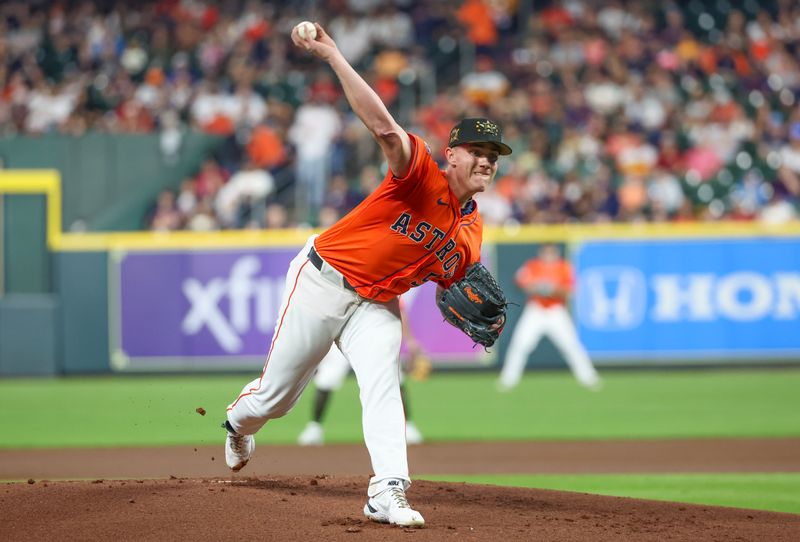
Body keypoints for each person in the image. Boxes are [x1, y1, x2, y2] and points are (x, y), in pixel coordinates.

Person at [223, 21, 512, 528]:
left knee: (383, 378)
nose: (487, 162)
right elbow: (382, 127)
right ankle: (236, 422)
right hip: (322, 278)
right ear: (453, 155)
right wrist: (334, 56)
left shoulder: (472, 232)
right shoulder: (420, 170)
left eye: (494, 157)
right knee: (275, 399)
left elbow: (455, 287)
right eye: (478, 153)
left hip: (376, 305)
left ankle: (387, 490)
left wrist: (467, 311)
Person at [297, 298, 426, 446]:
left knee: (395, 379)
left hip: (374, 335)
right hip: (342, 334)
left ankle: (407, 427)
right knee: (327, 379)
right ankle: (314, 428)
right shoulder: (340, 278)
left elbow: (399, 309)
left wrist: (409, 340)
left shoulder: (384, 278)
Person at [497, 243, 602, 392]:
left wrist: (552, 289)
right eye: (546, 252)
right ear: (541, 253)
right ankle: (508, 379)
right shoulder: (533, 265)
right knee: (520, 344)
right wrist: (538, 288)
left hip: (556, 310)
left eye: (551, 252)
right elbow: (521, 283)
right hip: (535, 309)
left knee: (571, 345)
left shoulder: (563, 267)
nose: (548, 255)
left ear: (556, 253)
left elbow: (569, 291)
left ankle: (588, 378)